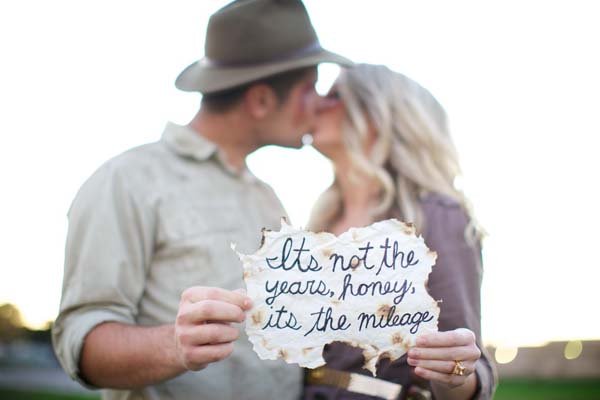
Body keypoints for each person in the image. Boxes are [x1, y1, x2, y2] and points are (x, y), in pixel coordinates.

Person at [51, 1, 351, 399]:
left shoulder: (267, 196)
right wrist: (175, 346)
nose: (318, 103)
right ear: (260, 100)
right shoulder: (125, 181)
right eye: (308, 88)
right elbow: (81, 340)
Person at [303, 64, 497, 400]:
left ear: (377, 117)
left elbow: (462, 361)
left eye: (335, 96)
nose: (317, 102)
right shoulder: (320, 219)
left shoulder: (436, 215)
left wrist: (457, 373)